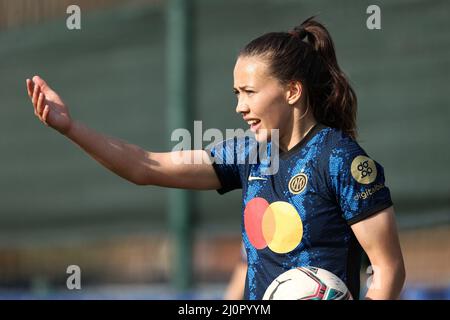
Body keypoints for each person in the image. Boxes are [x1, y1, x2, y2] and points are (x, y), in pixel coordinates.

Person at [25, 17, 405, 300]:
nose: (240, 106)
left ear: (292, 91)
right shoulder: (247, 153)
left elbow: (388, 270)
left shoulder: (340, 160)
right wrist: (70, 128)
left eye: (250, 92)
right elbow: (145, 166)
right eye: (236, 93)